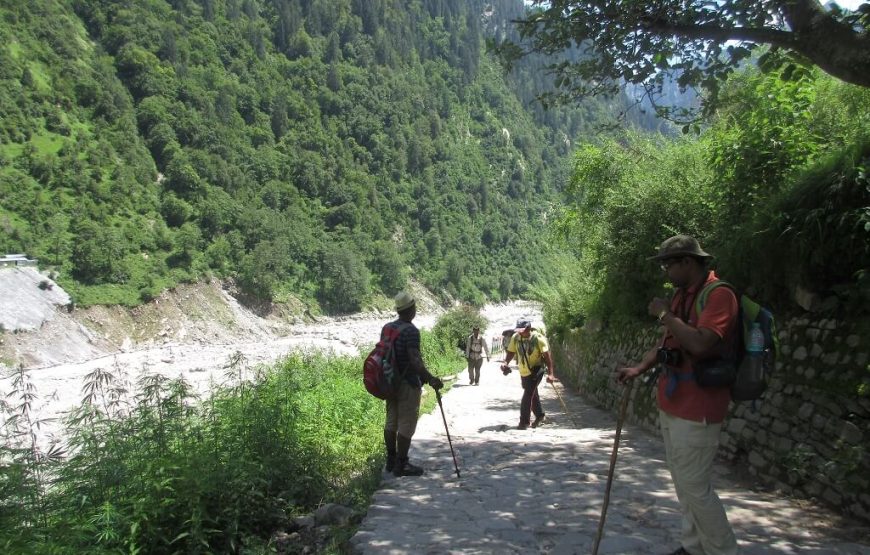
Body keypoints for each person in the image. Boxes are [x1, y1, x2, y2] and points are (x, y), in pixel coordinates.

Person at [616, 235, 739, 555]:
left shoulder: (719, 296)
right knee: (683, 484)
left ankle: (723, 551)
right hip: (674, 402)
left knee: (696, 487)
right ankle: (693, 546)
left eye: (669, 264)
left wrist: (664, 314)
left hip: (699, 406)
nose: (666, 271)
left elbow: (700, 343)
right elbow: (667, 345)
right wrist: (638, 369)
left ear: (688, 262)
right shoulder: (685, 297)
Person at [382, 291, 444, 477]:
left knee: (391, 421)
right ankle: (402, 464)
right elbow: (415, 361)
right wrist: (431, 378)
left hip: (390, 381)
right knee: (406, 423)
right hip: (407, 383)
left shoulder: (387, 327)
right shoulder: (411, 331)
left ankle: (391, 460)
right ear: (412, 309)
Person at [500, 318, 556, 430]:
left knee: (527, 394)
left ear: (529, 328)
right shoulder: (516, 338)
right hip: (524, 370)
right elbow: (511, 352)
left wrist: (550, 374)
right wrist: (506, 362)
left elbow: (547, 357)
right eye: (519, 330)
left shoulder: (538, 339)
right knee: (532, 392)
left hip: (537, 369)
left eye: (522, 330)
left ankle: (524, 422)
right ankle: (540, 415)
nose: (520, 332)